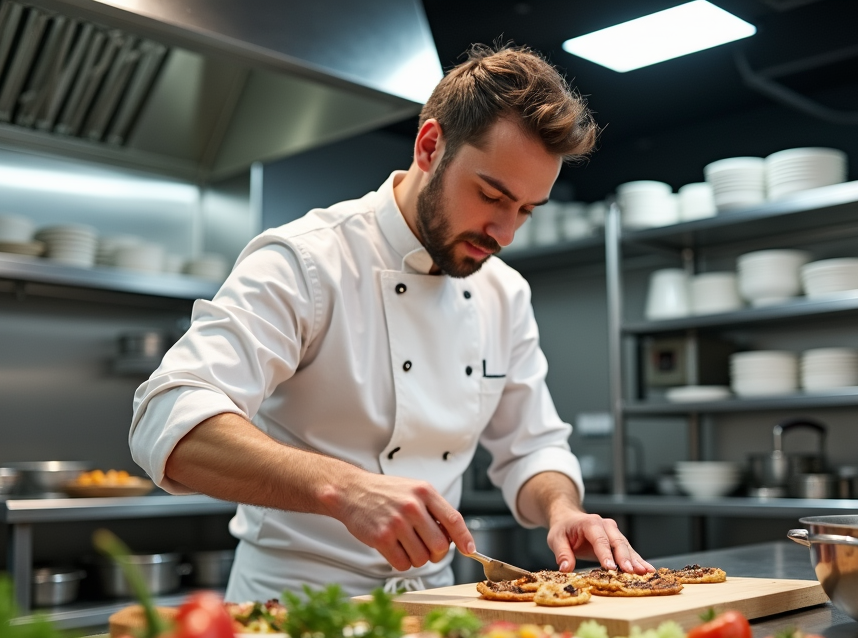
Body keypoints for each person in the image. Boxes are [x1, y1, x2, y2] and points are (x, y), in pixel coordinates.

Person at [129, 43, 653, 601]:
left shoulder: (505, 293)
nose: (505, 233)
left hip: (436, 602)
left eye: (526, 210)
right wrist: (343, 488)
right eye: (491, 195)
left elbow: (532, 447)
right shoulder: (307, 259)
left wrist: (562, 507)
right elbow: (168, 416)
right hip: (293, 606)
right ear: (430, 147)